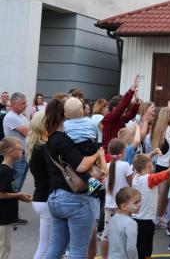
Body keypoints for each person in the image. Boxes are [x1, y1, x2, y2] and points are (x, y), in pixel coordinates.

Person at [44, 98, 105, 259]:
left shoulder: (51, 139)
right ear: (64, 114)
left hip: (55, 198)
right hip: (75, 199)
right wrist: (97, 154)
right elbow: (81, 166)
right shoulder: (65, 140)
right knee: (78, 252)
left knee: (55, 249)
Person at [131, 154, 170, 259]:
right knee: (146, 249)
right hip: (147, 221)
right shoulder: (149, 179)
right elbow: (166, 173)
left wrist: (153, 153)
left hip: (135, 219)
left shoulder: (135, 178)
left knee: (138, 247)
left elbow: (139, 161)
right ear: (149, 165)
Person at [100, 139, 133, 259]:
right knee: (124, 234)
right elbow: (131, 184)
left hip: (109, 206)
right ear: (123, 151)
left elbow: (104, 186)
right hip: (123, 206)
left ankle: (104, 257)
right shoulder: (126, 166)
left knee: (106, 234)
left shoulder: (106, 166)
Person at [0, 137, 33, 259]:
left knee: (5, 248)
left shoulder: (9, 169)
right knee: (4, 250)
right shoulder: (5, 171)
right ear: (11, 152)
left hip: (7, 217)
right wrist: (18, 195)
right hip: (3, 218)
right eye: (19, 149)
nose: (22, 152)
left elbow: (8, 191)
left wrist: (19, 197)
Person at [27, 111, 52, 259]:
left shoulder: (34, 147)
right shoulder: (43, 148)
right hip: (46, 199)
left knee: (47, 246)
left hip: (41, 197)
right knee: (45, 247)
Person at [2, 92, 30, 224]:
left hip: (23, 154)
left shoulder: (21, 116)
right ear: (14, 104)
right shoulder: (11, 117)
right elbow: (28, 132)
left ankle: (12, 215)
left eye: (25, 103)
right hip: (17, 156)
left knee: (17, 186)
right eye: (23, 103)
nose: (25, 105)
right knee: (14, 186)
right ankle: (11, 216)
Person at [151, 105, 170, 227]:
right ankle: (158, 216)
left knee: (161, 193)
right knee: (166, 194)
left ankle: (158, 216)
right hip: (169, 165)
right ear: (168, 117)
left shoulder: (158, 129)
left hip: (160, 163)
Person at [102, 75, 141, 152]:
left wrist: (136, 103)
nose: (125, 109)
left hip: (118, 152)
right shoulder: (110, 117)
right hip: (110, 154)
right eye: (123, 108)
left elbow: (131, 115)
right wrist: (132, 89)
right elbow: (123, 105)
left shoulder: (119, 118)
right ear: (114, 109)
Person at [108, 187, 141, 259]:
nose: (140, 204)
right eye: (136, 202)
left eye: (140, 201)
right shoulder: (131, 223)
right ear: (124, 206)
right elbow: (131, 248)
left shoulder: (112, 219)